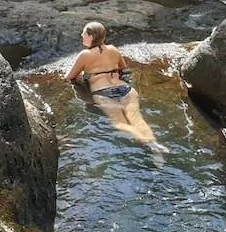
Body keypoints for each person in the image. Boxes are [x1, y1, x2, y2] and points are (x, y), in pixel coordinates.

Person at [64, 21, 165, 151]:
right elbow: (124, 69)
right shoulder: (113, 49)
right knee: (136, 118)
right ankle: (154, 143)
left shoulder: (85, 55)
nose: (81, 35)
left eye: (84, 33)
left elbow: (69, 78)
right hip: (125, 89)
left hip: (103, 93)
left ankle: (148, 144)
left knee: (120, 123)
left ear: (91, 37)